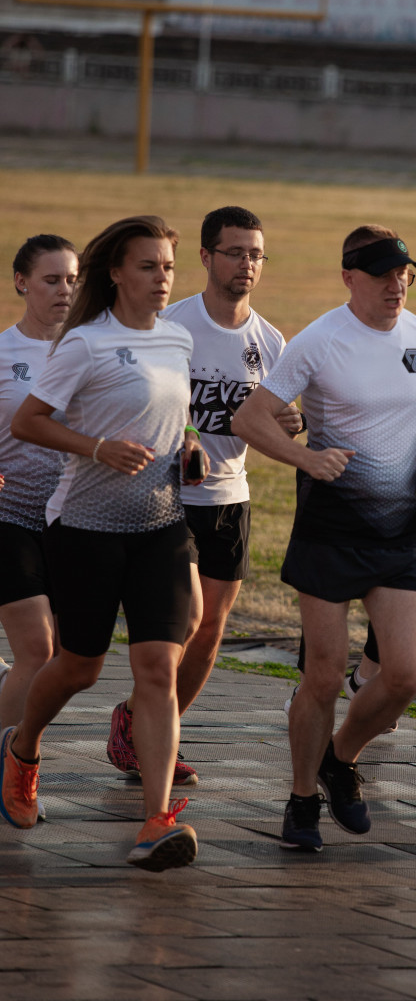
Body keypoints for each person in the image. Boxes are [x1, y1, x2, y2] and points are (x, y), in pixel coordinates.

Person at [232, 225, 416, 852]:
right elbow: (250, 417)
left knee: (409, 674)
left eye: (406, 273)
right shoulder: (320, 340)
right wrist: (305, 460)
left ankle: (340, 758)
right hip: (330, 533)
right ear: (348, 277)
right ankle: (302, 799)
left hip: (397, 537)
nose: (398, 285)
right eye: (384, 274)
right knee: (325, 676)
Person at [0, 215, 204, 872]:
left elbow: (173, 414)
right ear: (116, 272)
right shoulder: (84, 344)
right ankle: (22, 747)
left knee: (157, 668)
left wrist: (190, 446)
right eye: (148, 267)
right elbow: (30, 422)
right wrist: (96, 448)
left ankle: (156, 819)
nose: (161, 279)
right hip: (83, 529)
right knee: (78, 667)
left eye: (168, 267)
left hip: (161, 526)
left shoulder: (177, 338)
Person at [106, 205, 298, 785]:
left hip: (230, 499)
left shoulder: (270, 340)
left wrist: (290, 425)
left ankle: (147, 731)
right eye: (235, 252)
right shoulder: (173, 324)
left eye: (256, 254)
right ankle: (143, 733)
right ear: (206, 256)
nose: (247, 264)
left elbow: (274, 421)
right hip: (166, 497)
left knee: (211, 628)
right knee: (181, 623)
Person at [0, 236, 78, 743]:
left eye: (73, 280)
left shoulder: (89, 348)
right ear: (21, 283)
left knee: (69, 661)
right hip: (7, 516)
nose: (65, 291)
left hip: (71, 521)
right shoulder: (4, 351)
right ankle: (12, 768)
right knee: (38, 650)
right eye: (52, 280)